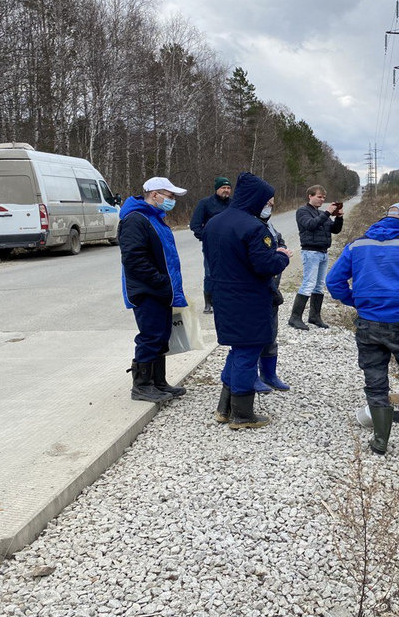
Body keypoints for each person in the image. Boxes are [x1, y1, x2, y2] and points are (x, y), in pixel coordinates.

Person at [326, 202, 399, 454]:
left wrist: (356, 301)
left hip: (368, 323)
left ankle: (380, 441)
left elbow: (333, 281)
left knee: (375, 380)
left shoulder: (356, 245)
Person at [202, 172, 291, 429]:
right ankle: (242, 414)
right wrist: (282, 256)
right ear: (256, 198)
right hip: (248, 299)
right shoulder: (254, 228)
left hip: (223, 296)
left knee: (237, 350)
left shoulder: (214, 223)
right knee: (248, 352)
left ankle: (224, 408)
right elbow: (265, 266)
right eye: (267, 200)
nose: (268, 205)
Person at [118, 177, 189, 403]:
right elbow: (133, 258)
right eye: (169, 196)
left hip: (160, 290)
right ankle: (142, 386)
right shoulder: (135, 219)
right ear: (155, 195)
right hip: (147, 290)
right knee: (150, 337)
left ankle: (158, 382)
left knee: (161, 336)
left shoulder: (154, 218)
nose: (172, 201)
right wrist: (160, 281)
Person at [289, 184, 343, 330]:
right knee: (308, 284)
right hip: (310, 252)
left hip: (323, 252)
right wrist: (326, 213)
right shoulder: (302, 211)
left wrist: (339, 217)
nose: (322, 199)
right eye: (319, 197)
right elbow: (310, 225)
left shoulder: (321, 214)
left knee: (319, 286)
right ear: (310, 196)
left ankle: (314, 316)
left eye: (324, 197)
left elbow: (335, 230)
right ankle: (295, 318)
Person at [254, 198, 291, 393]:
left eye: (272, 203)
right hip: (256, 290)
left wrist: (281, 250)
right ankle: (251, 376)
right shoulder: (250, 225)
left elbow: (278, 239)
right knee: (253, 336)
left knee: (271, 332)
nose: (269, 206)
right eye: (266, 202)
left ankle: (269, 374)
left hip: (272, 289)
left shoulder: (269, 223)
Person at [189, 176, 232, 313]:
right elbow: (195, 224)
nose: (226, 190)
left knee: (230, 273)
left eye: (228, 188)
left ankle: (227, 300)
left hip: (232, 246)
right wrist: (206, 238)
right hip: (211, 247)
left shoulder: (234, 204)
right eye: (223, 188)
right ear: (217, 189)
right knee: (210, 273)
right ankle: (209, 303)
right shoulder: (205, 203)